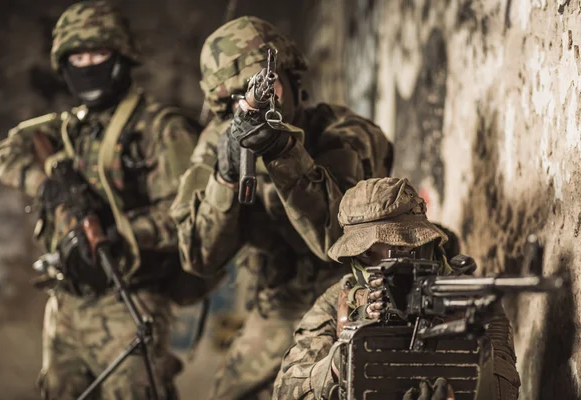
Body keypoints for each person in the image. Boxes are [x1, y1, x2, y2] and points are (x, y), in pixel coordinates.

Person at [169, 16, 394, 400]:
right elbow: (198, 257)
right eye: (237, 96)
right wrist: (224, 178)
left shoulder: (346, 133)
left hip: (353, 293)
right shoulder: (217, 142)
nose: (254, 101)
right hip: (279, 304)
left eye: (266, 83)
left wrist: (281, 152)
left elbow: (345, 243)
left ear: (292, 81)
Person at [0, 1, 206, 398]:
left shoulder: (162, 129)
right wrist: (46, 183)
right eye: (77, 56)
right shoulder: (70, 127)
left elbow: (188, 218)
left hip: (129, 300)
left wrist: (117, 234)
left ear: (122, 55)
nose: (87, 64)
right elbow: (5, 157)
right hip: (67, 304)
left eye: (98, 53)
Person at [272, 177, 521, 400]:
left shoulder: (469, 299)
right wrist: (337, 367)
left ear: (425, 243)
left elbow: (503, 389)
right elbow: (286, 390)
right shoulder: (339, 301)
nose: (385, 266)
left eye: (402, 249)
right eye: (369, 255)